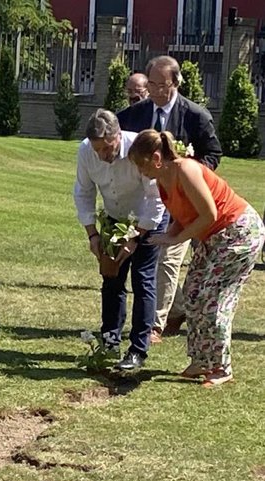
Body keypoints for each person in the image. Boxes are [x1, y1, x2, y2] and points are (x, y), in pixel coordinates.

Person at [129, 130, 264, 386]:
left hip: (239, 233)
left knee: (213, 299)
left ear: (156, 157)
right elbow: (184, 214)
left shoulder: (187, 170)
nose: (139, 171)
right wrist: (167, 235)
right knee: (192, 293)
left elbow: (209, 214)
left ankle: (221, 368)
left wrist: (175, 240)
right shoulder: (162, 180)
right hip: (212, 237)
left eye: (141, 164)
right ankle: (202, 360)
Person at [118, 55, 223, 343]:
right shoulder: (133, 115)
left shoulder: (195, 115)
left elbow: (213, 154)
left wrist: (190, 173)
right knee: (158, 255)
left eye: (160, 85)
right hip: (148, 198)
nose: (153, 90)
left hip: (185, 200)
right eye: (150, 83)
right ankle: (170, 312)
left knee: (169, 257)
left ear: (175, 83)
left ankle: (157, 322)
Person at [73, 109, 166, 370]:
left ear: (117, 135)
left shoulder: (138, 148)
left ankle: (138, 350)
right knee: (111, 278)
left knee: (143, 278)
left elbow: (155, 198)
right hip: (115, 218)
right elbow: (83, 192)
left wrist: (136, 236)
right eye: (97, 149)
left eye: (107, 147)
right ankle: (110, 342)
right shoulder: (85, 151)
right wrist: (92, 234)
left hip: (149, 218)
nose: (102, 155)